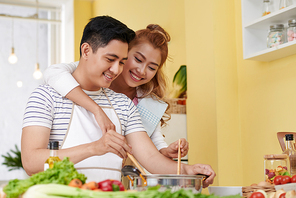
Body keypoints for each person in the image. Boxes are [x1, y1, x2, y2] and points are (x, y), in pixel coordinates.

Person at [22, 15, 215, 187]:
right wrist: (94, 148)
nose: (116, 70)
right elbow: (31, 162)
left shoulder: (123, 104)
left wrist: (190, 171)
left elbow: (150, 158)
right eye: (110, 59)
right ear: (86, 51)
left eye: (122, 62)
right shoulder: (46, 96)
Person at [44, 24, 188, 159]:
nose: (142, 71)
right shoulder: (95, 76)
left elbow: (154, 142)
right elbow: (53, 72)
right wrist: (97, 110)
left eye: (151, 68)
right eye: (138, 59)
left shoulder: (148, 102)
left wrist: (166, 151)